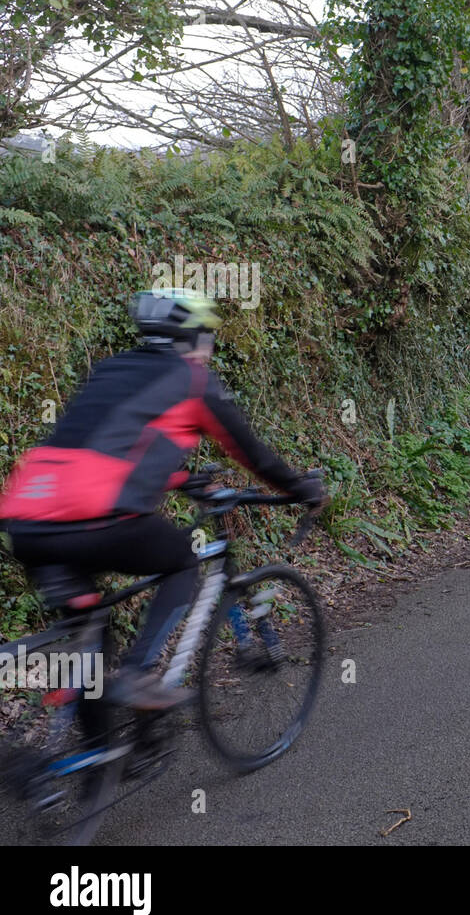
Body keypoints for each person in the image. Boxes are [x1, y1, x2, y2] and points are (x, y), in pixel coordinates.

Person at [0, 287, 324, 710]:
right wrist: (301, 488)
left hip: (27, 521)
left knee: (92, 639)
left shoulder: (111, 369)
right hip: (95, 518)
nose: (209, 347)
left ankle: (92, 763)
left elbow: (105, 446)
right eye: (207, 335)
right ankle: (138, 676)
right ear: (191, 337)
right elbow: (252, 454)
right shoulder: (194, 380)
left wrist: (180, 477)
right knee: (182, 560)